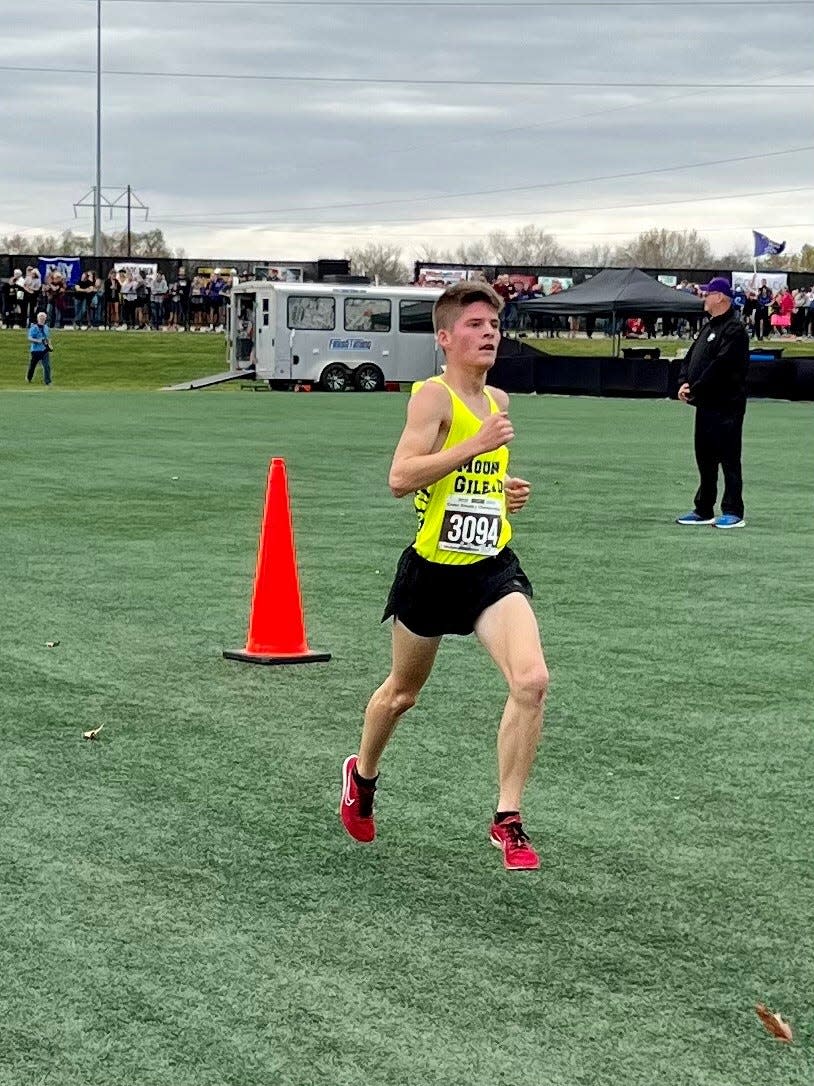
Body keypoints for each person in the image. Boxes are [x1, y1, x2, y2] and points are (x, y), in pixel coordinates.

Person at [339, 280, 549, 871]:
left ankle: (507, 819)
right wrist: (475, 445)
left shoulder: (499, 402)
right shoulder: (432, 398)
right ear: (445, 337)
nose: (489, 334)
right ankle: (363, 775)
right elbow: (402, 477)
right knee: (402, 694)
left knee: (531, 680)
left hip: (490, 567)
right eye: (476, 325)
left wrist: (502, 492)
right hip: (432, 573)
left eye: (494, 326)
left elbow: (464, 483)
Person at [676, 277, 749, 529]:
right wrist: (684, 381)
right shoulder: (707, 328)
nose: (704, 298)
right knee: (704, 458)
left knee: (728, 458)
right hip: (705, 405)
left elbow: (722, 366)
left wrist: (695, 389)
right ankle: (703, 508)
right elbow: (690, 358)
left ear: (720, 297)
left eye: (708, 294)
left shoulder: (735, 330)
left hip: (726, 405)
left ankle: (733, 510)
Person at [26, 311, 53, 386]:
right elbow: (30, 338)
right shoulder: (34, 328)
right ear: (38, 319)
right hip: (35, 350)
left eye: (43, 318)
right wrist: (37, 341)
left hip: (44, 349)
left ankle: (48, 381)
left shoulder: (46, 328)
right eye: (41, 318)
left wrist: (50, 345)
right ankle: (29, 378)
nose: (42, 319)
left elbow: (47, 338)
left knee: (47, 366)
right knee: (32, 365)